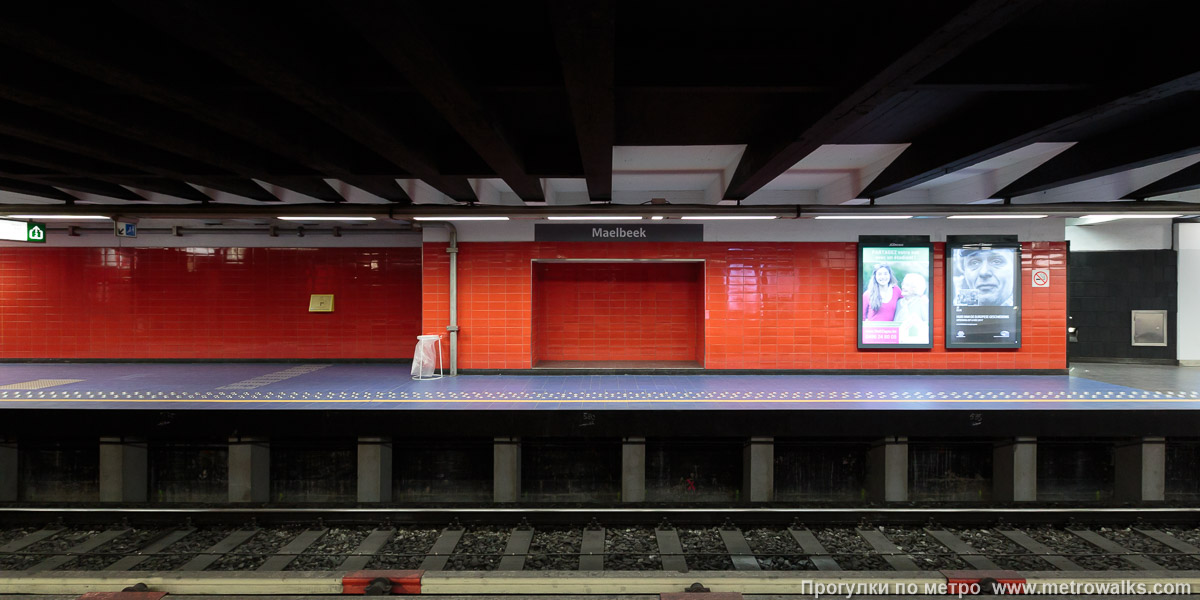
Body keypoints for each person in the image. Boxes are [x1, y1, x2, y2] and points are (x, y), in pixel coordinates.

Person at [894, 273, 929, 344]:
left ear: (916, 288)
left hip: (916, 341)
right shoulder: (899, 303)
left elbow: (927, 324)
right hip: (899, 340)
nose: (903, 287)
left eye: (907, 285)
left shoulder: (922, 302)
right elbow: (895, 323)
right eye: (903, 284)